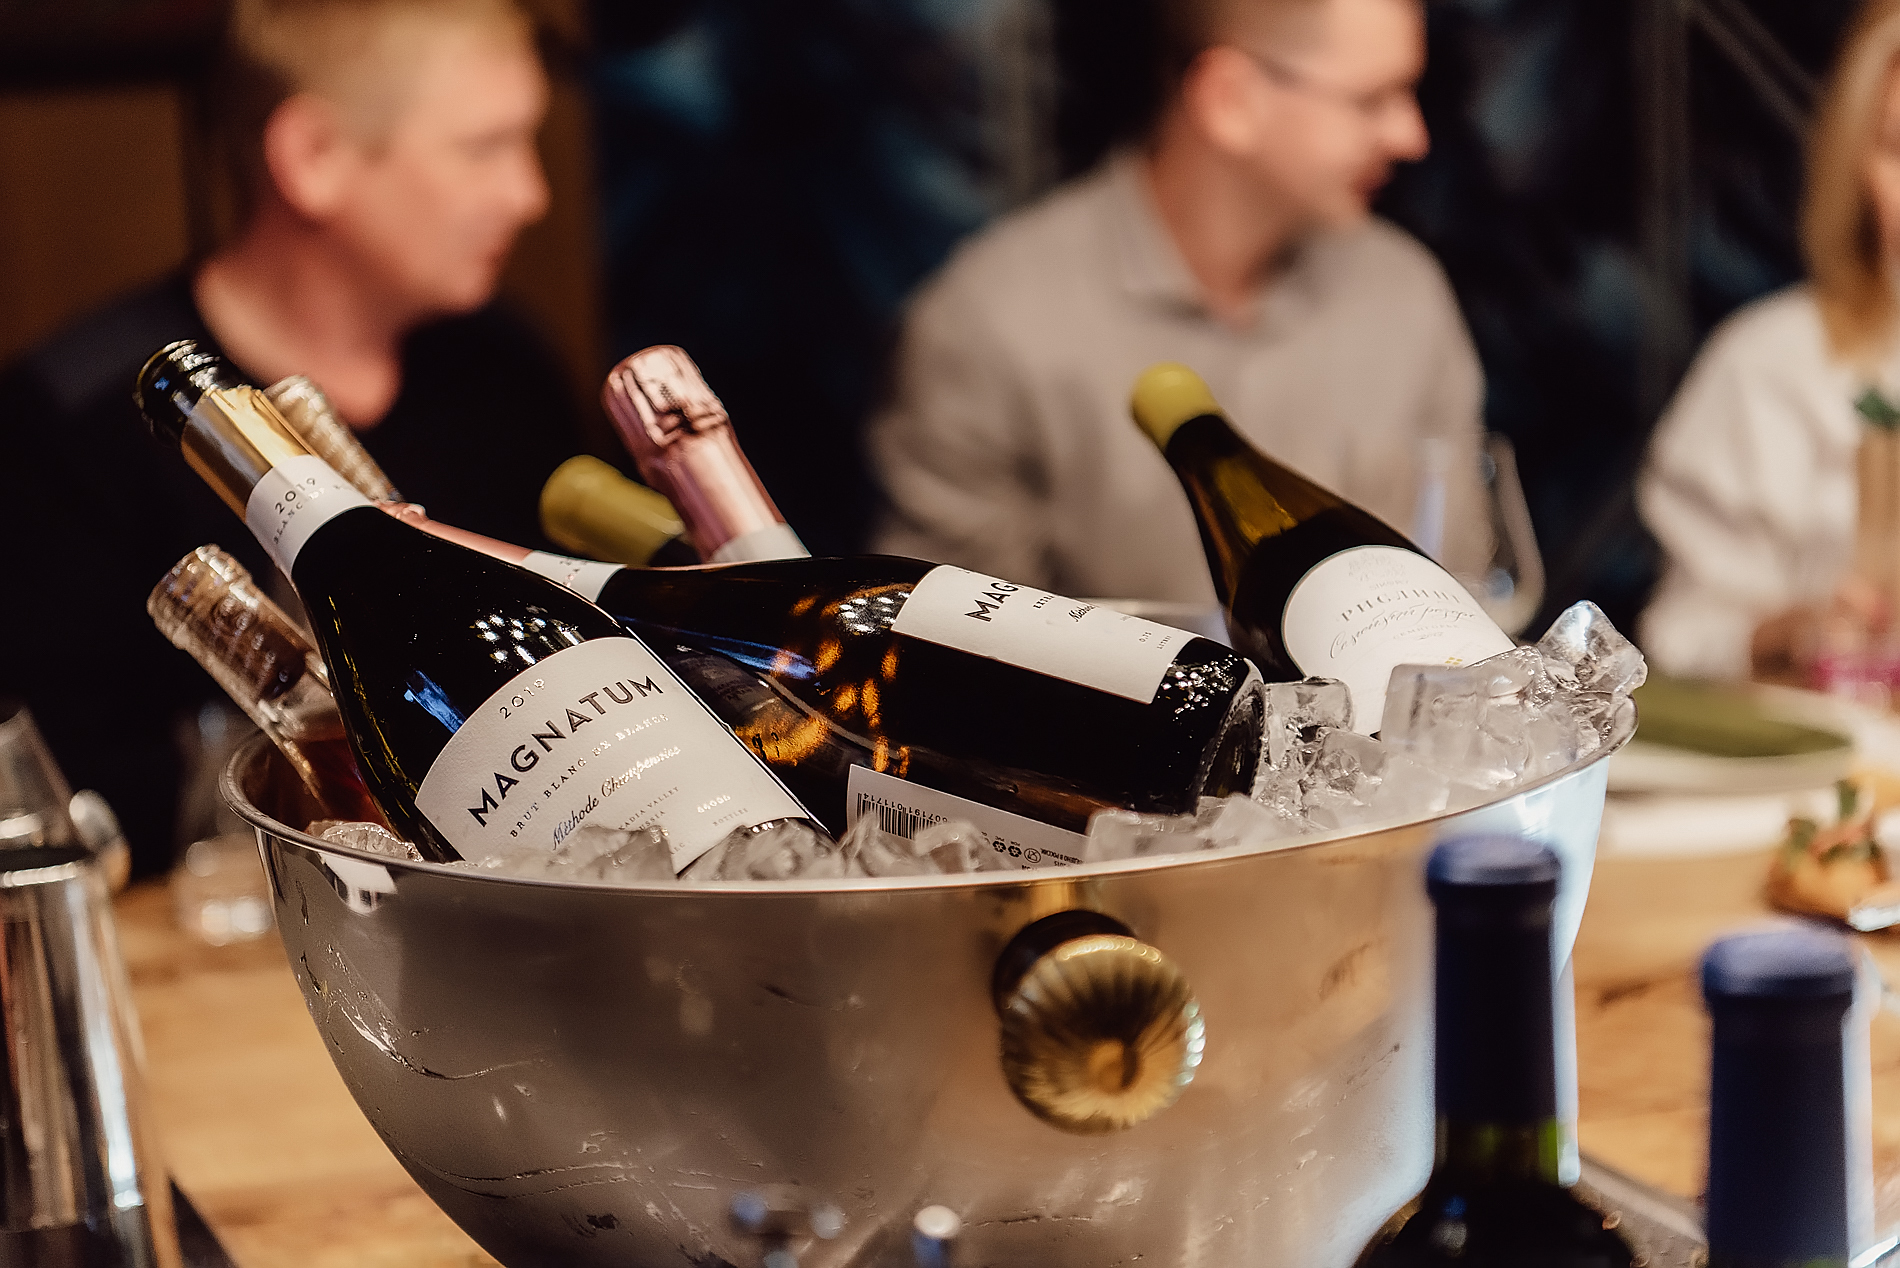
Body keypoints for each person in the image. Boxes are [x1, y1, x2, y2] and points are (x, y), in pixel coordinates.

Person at [0, 0, 581, 876]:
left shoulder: (507, 372)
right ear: (313, 158)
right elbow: (61, 797)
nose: (530, 194)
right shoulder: (73, 425)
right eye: (483, 148)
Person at [866, 0, 1489, 601]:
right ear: (1230, 99)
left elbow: (1467, 595)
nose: (1411, 137)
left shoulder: (1405, 292)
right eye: (1371, 100)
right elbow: (955, 641)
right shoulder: (990, 323)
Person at [1640, 0, 1900, 681]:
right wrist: (1793, 635)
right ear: (1856, 163)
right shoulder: (1770, 363)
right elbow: (1681, 635)